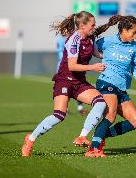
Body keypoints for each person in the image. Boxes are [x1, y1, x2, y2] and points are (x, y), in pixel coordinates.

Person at [21, 11, 108, 157]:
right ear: (82, 25)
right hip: (64, 80)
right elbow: (72, 66)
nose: (95, 27)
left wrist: (115, 55)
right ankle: (30, 139)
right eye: (92, 25)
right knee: (59, 115)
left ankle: (82, 136)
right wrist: (93, 67)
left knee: (100, 103)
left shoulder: (91, 37)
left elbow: (98, 54)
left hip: (79, 81)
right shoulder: (74, 40)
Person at [81, 15, 136, 157]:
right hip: (106, 83)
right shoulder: (107, 41)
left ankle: (100, 136)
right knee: (110, 115)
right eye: (134, 31)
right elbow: (90, 48)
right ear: (123, 30)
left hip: (121, 88)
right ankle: (93, 149)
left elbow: (134, 69)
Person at [56, 34, 89, 115]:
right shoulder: (62, 39)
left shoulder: (74, 38)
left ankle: (80, 108)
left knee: (79, 87)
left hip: (74, 69)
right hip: (64, 69)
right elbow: (60, 52)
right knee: (66, 90)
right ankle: (64, 109)